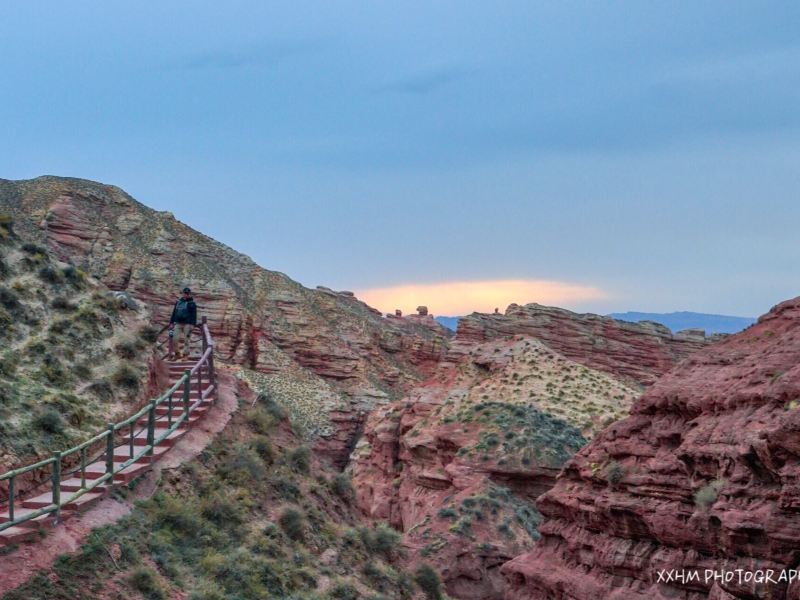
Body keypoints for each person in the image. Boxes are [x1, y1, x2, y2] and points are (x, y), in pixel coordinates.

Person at [169, 287, 197, 360]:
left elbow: (194, 315)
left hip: (187, 324)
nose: (186, 294)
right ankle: (177, 354)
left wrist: (193, 324)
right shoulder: (178, 302)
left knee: (187, 340)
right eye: (185, 293)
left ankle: (185, 355)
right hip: (178, 323)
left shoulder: (192, 303)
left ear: (189, 294)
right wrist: (171, 322)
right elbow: (174, 312)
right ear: (183, 293)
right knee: (174, 339)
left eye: (187, 293)